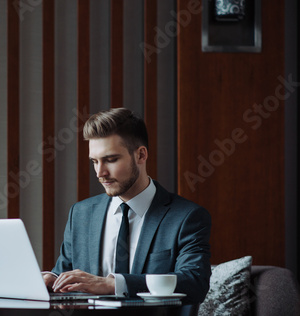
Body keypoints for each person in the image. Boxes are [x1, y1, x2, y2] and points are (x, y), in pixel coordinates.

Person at [43, 108, 211, 303]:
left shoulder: (187, 217)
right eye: (94, 162)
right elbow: (64, 274)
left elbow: (194, 283)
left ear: (141, 155)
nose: (100, 172)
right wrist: (51, 279)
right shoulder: (81, 214)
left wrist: (114, 284)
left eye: (111, 160)